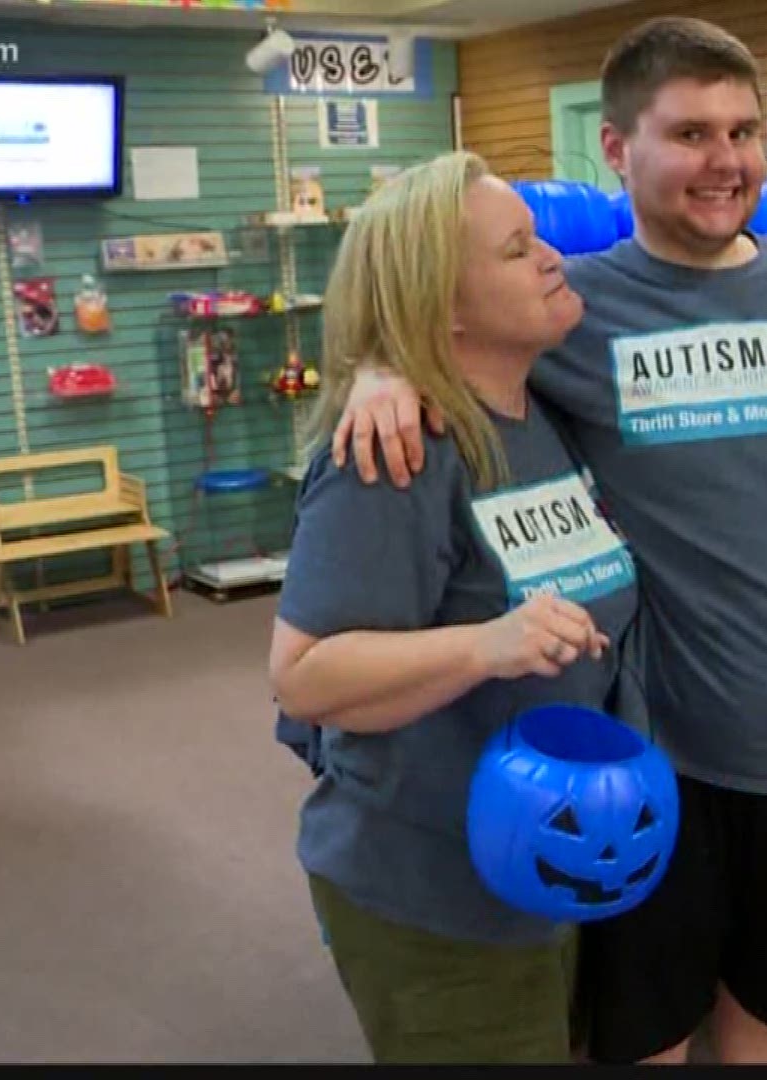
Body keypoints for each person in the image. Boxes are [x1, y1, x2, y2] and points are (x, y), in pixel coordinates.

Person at [330, 16, 767, 1065]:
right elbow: (428, 319)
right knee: (647, 1039)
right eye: (690, 134)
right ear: (619, 150)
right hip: (658, 766)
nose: (726, 162)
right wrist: (377, 366)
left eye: (744, 131)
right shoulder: (572, 314)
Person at [267, 149, 638, 1064]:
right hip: (430, 889)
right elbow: (303, 676)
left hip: (537, 870)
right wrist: (487, 646)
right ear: (447, 306)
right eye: (517, 251)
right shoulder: (397, 454)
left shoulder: (537, 408)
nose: (554, 258)